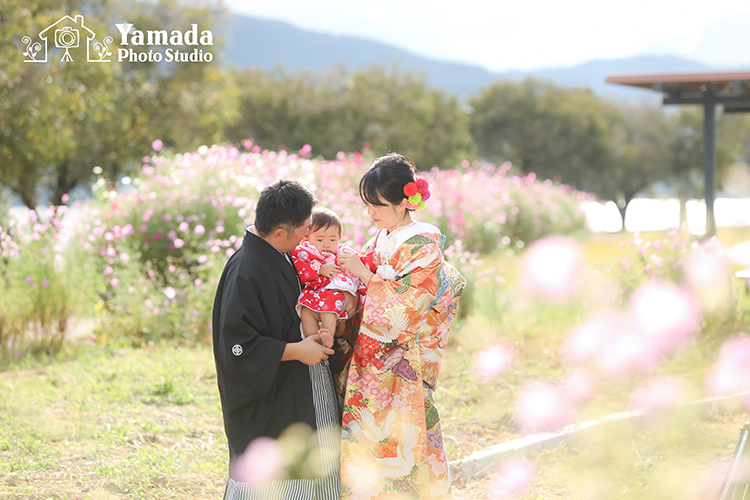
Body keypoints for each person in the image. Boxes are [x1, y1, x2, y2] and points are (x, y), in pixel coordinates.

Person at [335, 154, 466, 499]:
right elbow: (365, 282)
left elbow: (408, 308)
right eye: (367, 204)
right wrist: (351, 289)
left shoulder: (423, 245)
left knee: (404, 447)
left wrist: (364, 275)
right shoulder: (383, 236)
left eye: (376, 205)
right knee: (368, 443)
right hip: (371, 358)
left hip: (401, 362)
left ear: (405, 202)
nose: (370, 213)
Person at [212, 179, 349, 500]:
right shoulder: (246, 270)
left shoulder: (284, 252)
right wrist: (295, 350)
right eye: (303, 231)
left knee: (318, 466)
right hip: (277, 386)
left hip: (306, 376)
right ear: (278, 233)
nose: (307, 237)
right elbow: (237, 347)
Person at [291, 208, 363, 349]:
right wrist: (319, 269)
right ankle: (313, 341)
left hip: (332, 295)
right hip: (313, 294)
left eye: (332, 239)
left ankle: (329, 334)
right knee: (306, 312)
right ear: (306, 238)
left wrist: (373, 261)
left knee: (327, 309)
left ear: (340, 239)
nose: (326, 244)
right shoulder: (305, 252)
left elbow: (360, 261)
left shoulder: (343, 253)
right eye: (320, 239)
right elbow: (300, 268)